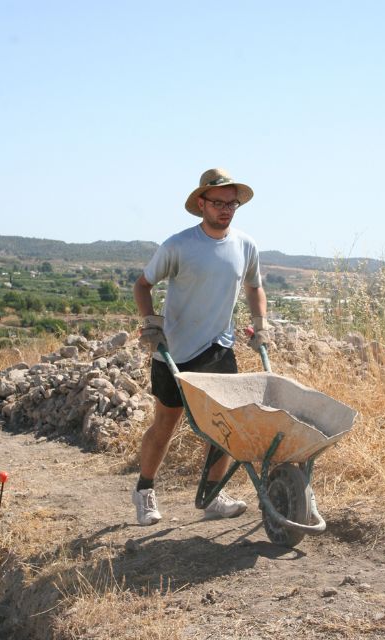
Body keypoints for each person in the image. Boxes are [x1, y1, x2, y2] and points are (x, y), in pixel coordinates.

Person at [132, 168, 270, 526]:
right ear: (201, 203)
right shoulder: (178, 245)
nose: (226, 209)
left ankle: (212, 495)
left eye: (232, 203)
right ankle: (144, 491)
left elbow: (254, 287)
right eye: (219, 202)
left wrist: (261, 325)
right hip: (174, 351)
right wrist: (150, 324)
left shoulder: (245, 245)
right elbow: (142, 285)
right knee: (165, 425)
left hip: (218, 347)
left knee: (226, 426)